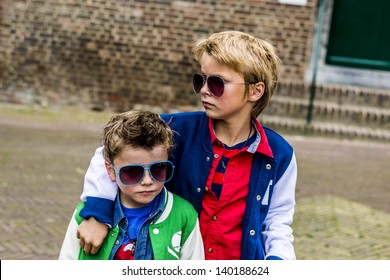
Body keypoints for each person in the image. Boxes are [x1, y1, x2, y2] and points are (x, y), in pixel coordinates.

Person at [77, 30, 297, 260]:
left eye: (217, 83)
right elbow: (110, 154)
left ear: (255, 90)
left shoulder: (279, 154)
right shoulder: (174, 129)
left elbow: (278, 221)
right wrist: (97, 212)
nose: (204, 89)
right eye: (200, 79)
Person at [59, 111, 204, 260]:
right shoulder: (83, 215)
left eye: (158, 168)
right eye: (132, 171)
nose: (147, 181)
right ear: (110, 170)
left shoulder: (184, 216)